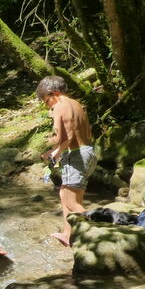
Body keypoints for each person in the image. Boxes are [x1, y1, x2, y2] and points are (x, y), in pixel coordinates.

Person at [37, 75, 97, 247]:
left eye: (46, 100)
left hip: (76, 156)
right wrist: (56, 153)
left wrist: (51, 149)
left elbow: (64, 137)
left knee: (70, 200)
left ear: (54, 93)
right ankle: (68, 234)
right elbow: (82, 134)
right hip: (89, 152)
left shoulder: (59, 107)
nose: (47, 105)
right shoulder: (76, 104)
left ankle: (100, 228)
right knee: (69, 195)